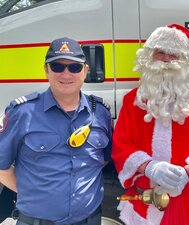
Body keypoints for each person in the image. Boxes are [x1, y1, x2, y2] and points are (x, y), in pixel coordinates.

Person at [111, 24, 189, 225]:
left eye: (174, 55)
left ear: (186, 61)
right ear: (149, 57)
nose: (166, 59)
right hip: (144, 206)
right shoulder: (133, 100)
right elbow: (121, 145)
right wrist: (150, 168)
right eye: (160, 53)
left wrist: (187, 171)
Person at [0, 37, 113, 225]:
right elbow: (2, 166)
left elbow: (104, 158)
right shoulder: (23, 112)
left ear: (85, 71)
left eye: (75, 67)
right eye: (58, 67)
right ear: (46, 70)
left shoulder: (100, 112)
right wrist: (32, 190)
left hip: (90, 220)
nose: (66, 74)